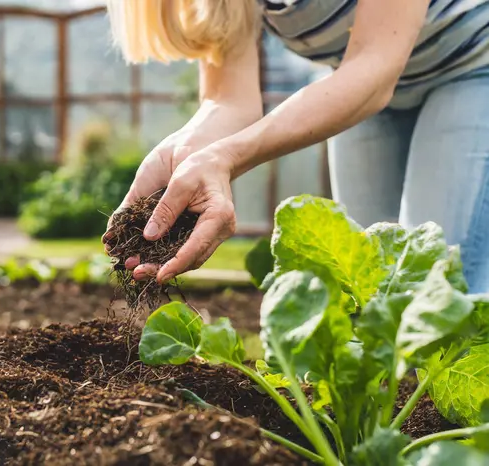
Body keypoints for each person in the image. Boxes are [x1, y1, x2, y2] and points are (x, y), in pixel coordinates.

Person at [104, 0, 489, 293]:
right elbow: (230, 101)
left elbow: (377, 65)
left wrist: (227, 157)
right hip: (358, 84)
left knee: (443, 291)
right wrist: (185, 154)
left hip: (473, 69)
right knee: (370, 286)